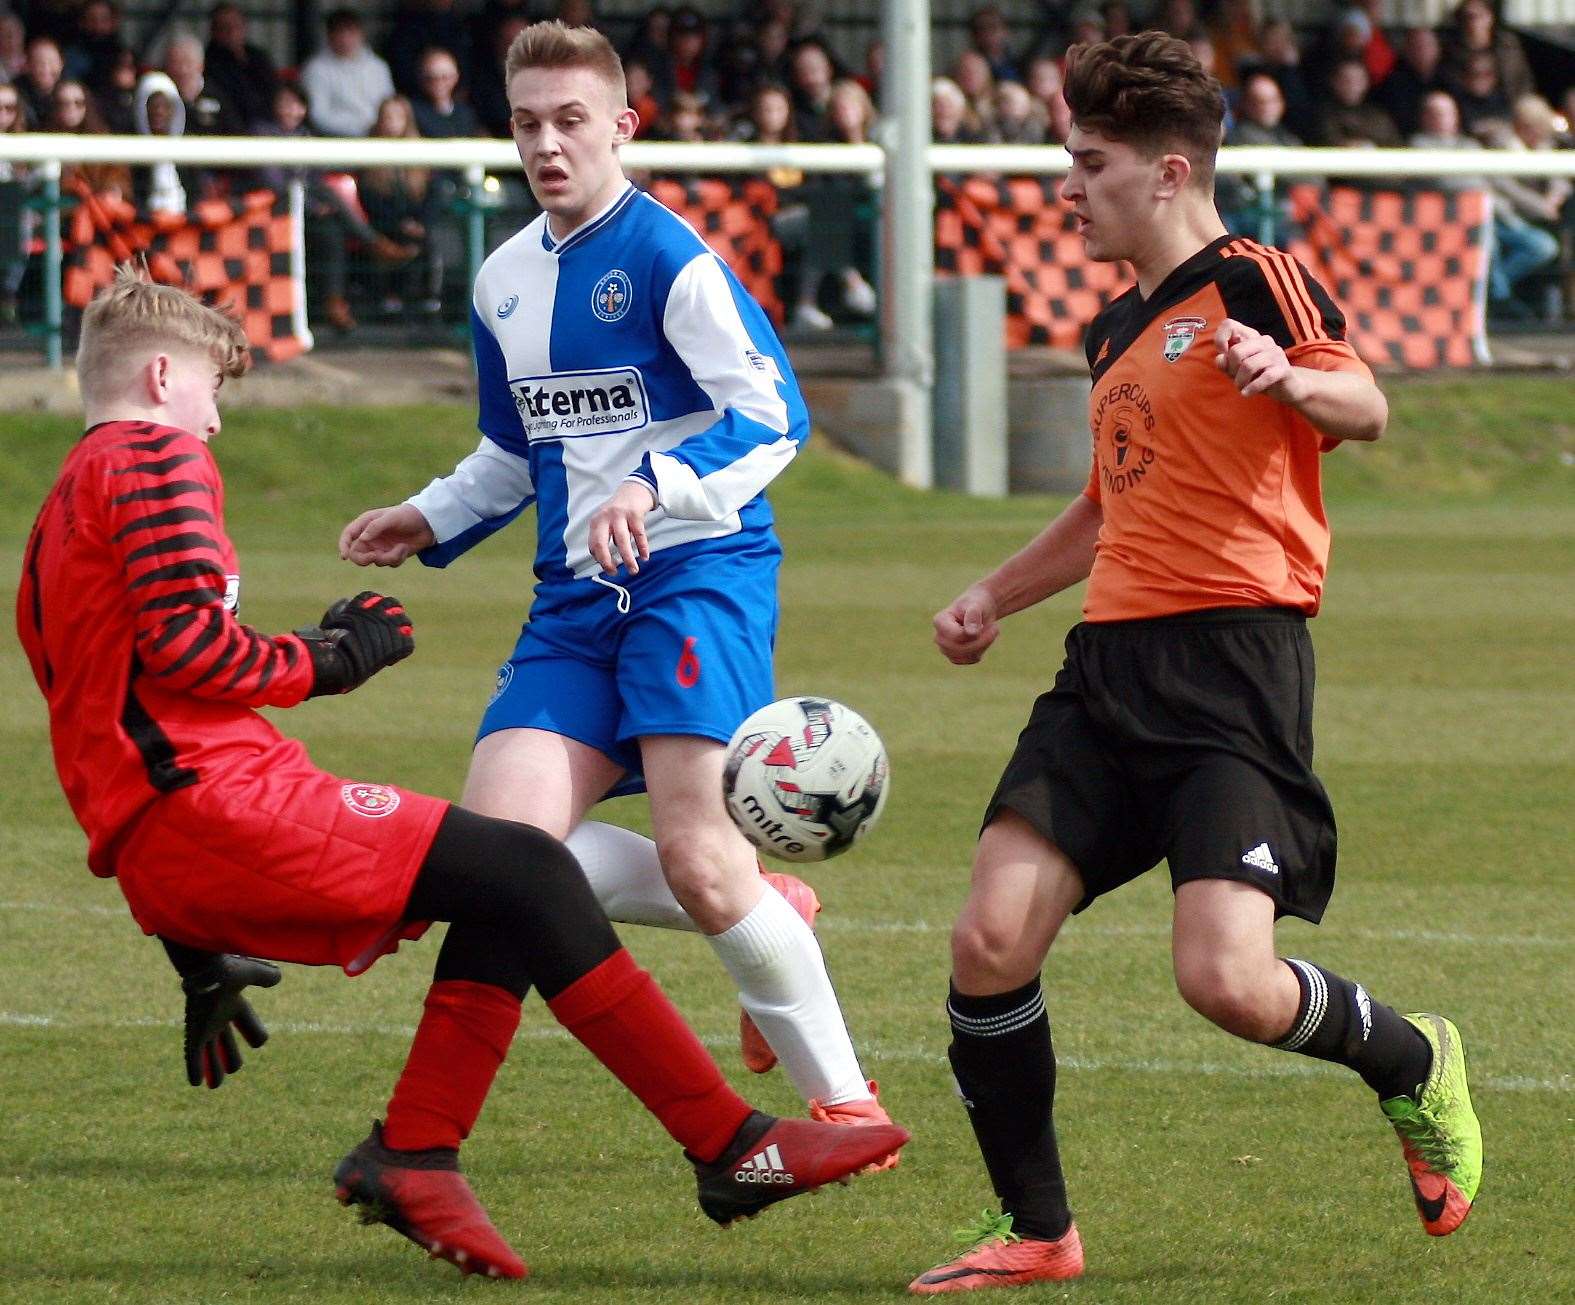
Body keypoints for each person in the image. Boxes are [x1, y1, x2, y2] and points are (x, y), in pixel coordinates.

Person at [15, 263, 909, 1283]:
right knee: (526, 871)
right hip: (220, 806)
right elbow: (188, 652)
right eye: (216, 391)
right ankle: (730, 1146)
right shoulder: (153, 462)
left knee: (506, 871)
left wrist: (192, 944)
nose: (216, 421)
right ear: (167, 377)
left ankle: (418, 1150)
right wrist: (329, 657)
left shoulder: (57, 511)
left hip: (173, 834)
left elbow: (108, 703)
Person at [910, 32, 1482, 1294]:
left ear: (1169, 172)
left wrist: (1289, 375)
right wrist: (992, 595)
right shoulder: (1119, 322)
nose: (1067, 187)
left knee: (1224, 980)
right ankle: (1041, 1234)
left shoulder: (1253, 278)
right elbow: (1112, 503)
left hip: (1234, 669)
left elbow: (1366, 405)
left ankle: (1409, 1059)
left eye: (1088, 162)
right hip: (1106, 668)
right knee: (990, 936)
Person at [338, 20, 903, 1148]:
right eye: (528, 123)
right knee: (503, 857)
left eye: (571, 121)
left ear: (622, 128)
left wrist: (659, 487)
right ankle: (770, 902)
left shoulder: (670, 260)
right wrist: (430, 513)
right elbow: (514, 448)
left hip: (698, 574)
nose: (549, 144)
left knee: (700, 856)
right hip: (571, 605)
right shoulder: (503, 281)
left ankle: (846, 1102)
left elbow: (770, 417)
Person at [300, 8, 396, 138]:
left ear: (361, 34)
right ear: (329, 36)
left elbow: (390, 105)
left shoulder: (378, 66)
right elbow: (317, 116)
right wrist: (363, 129)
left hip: (379, 137)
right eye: (340, 33)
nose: (345, 39)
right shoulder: (315, 69)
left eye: (351, 32)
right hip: (335, 142)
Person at [204, 2, 281, 131]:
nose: (231, 32)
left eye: (236, 26)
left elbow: (275, 91)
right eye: (224, 27)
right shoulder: (208, 62)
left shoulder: (258, 57)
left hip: (267, 125)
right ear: (213, 31)